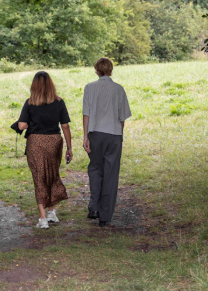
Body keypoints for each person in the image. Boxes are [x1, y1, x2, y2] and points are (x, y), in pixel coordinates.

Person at [15, 71, 73, 229]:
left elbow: (21, 126)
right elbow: (65, 126)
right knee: (51, 175)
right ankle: (51, 212)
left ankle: (43, 219)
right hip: (54, 142)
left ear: (34, 85)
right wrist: (69, 147)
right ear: (51, 85)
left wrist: (30, 123)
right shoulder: (59, 102)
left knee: (39, 178)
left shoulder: (30, 103)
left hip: (36, 143)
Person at [81, 57, 132, 227]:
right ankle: (105, 216)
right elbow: (122, 117)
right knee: (111, 174)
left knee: (95, 169)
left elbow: (86, 114)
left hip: (95, 133)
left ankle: (94, 207)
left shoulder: (89, 88)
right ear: (111, 69)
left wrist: (85, 136)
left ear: (96, 70)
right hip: (113, 135)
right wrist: (120, 135)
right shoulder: (118, 89)